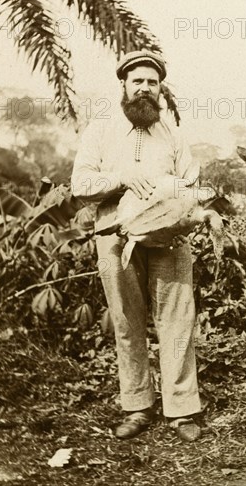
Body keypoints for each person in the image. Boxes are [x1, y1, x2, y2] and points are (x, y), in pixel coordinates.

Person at [71, 50, 202, 442]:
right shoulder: (100, 131)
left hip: (169, 238)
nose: (145, 88)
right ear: (124, 87)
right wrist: (123, 177)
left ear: (161, 89)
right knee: (127, 320)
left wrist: (170, 198)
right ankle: (137, 405)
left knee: (178, 319)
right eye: (137, 81)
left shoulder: (174, 133)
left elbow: (191, 186)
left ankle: (181, 410)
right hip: (114, 236)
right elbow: (80, 186)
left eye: (152, 82)